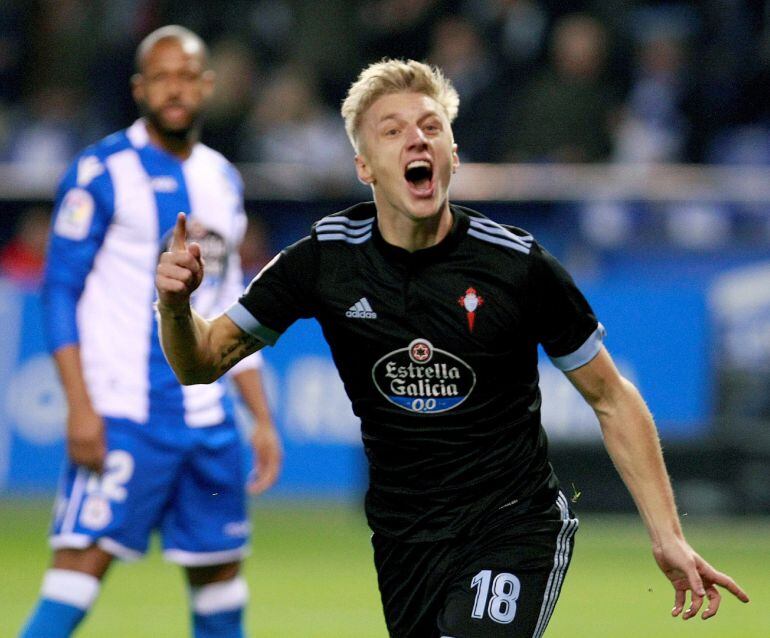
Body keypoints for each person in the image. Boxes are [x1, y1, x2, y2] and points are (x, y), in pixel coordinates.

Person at [155, 59, 749, 637]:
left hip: (512, 524)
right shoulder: (324, 259)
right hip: (403, 540)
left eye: (431, 128)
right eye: (393, 131)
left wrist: (667, 534)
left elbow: (612, 398)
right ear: (365, 165)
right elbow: (200, 361)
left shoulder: (516, 265)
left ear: (453, 156)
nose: (417, 140)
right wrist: (177, 309)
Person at [20, 25, 282, 638]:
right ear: (140, 88)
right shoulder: (101, 171)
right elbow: (59, 291)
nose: (175, 89)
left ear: (207, 86)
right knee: (78, 572)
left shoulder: (223, 179)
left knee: (221, 582)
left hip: (208, 419)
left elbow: (229, 311)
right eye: (161, 77)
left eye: (187, 76)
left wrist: (260, 418)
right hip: (123, 413)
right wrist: (80, 408)